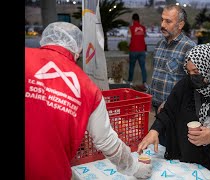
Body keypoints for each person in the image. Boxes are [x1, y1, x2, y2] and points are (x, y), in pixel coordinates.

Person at [25, 22, 152, 180]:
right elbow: (106, 141)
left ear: (44, 40)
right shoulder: (87, 87)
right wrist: (134, 167)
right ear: (77, 52)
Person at [138, 43, 210, 179]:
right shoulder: (186, 84)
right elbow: (169, 110)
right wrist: (155, 130)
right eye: (189, 72)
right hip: (190, 161)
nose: (192, 77)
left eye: (196, 72)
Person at [148, 4, 196, 146]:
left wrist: (169, 102)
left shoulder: (189, 48)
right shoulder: (159, 45)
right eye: (162, 20)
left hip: (176, 111)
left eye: (168, 21)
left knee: (172, 149)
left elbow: (193, 84)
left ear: (180, 24)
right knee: (160, 147)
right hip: (158, 110)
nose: (162, 25)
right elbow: (157, 75)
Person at [127, 13, 148, 91]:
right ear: (139, 19)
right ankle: (145, 82)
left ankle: (130, 82)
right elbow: (145, 36)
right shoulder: (143, 28)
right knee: (143, 67)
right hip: (142, 50)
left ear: (133, 20)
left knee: (131, 67)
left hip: (133, 50)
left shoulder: (131, 28)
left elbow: (129, 37)